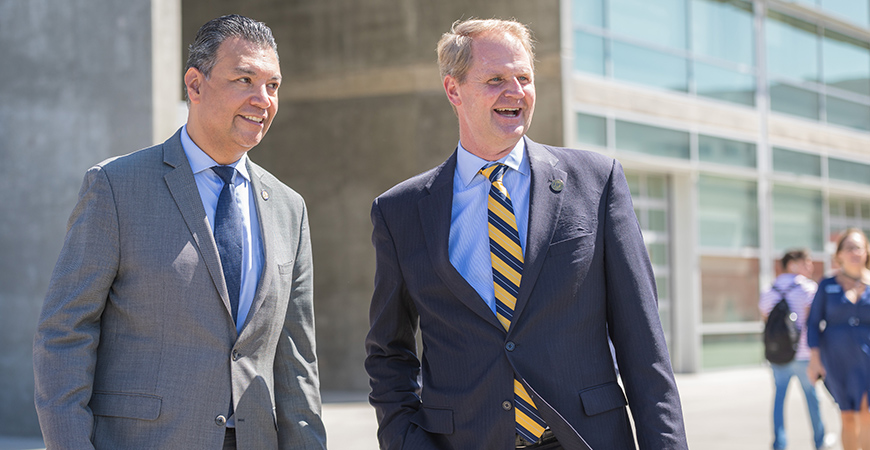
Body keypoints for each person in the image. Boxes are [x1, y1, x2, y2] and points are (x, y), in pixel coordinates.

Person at [365, 18, 687, 449]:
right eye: (495, 79)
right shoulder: (400, 211)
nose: (515, 91)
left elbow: (644, 343)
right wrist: (406, 441)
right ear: (453, 90)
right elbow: (388, 352)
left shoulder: (597, 181)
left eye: (524, 78)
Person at [33, 15, 326, 449]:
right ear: (195, 84)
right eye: (245, 79)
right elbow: (65, 334)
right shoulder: (116, 187)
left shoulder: (289, 208)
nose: (262, 99)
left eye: (273, 85)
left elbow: (297, 362)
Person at [759, 249, 830, 450]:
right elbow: (816, 322)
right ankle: (820, 441)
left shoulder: (769, 290)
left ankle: (779, 444)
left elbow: (765, 317)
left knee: (779, 399)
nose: (811, 267)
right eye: (806, 263)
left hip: (778, 355)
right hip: (804, 354)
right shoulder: (808, 288)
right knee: (812, 399)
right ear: (792, 264)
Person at [808, 228, 870, 450]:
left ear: (866, 252)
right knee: (847, 415)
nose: (854, 252)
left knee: (866, 413)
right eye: (849, 248)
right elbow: (813, 323)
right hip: (837, 360)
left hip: (867, 360)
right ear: (840, 254)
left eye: (858, 247)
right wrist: (814, 360)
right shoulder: (827, 284)